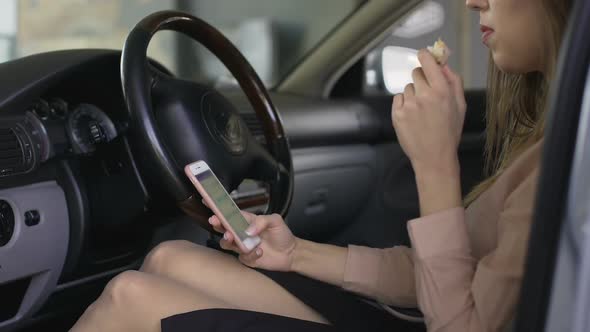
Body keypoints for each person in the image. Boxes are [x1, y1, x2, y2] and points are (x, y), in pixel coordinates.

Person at [70, 0, 573, 331]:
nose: (473, 1)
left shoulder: (574, 163)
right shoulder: (559, 136)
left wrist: (436, 165)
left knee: (130, 296)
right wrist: (296, 254)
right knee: (168, 259)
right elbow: (446, 274)